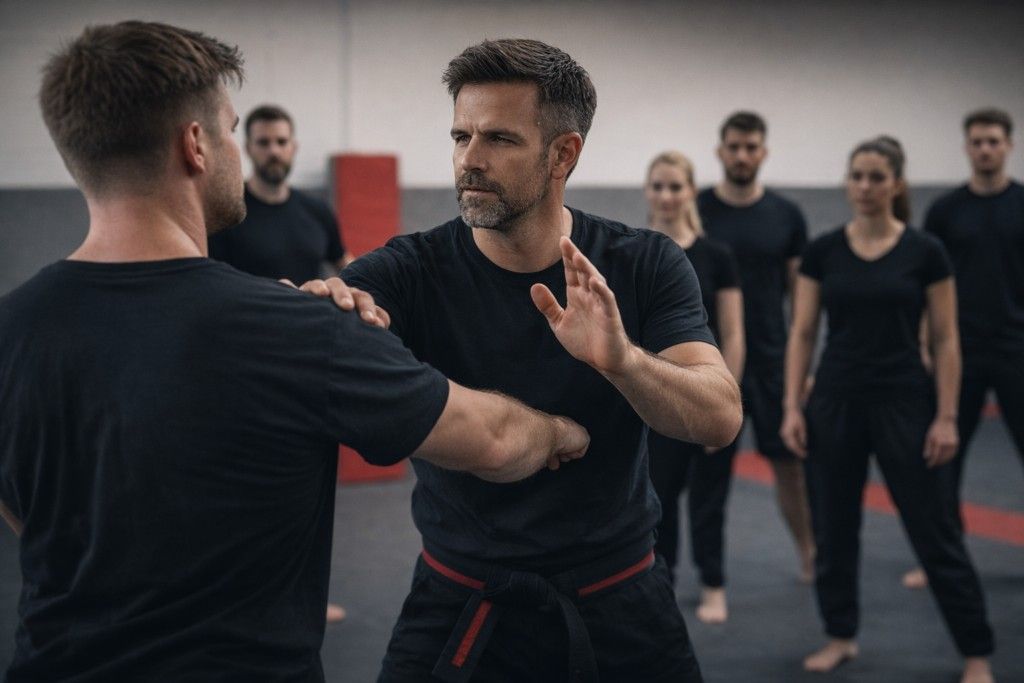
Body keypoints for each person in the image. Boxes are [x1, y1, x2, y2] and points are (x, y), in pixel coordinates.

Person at [0, 22, 591, 682]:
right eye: (231, 130)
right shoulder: (298, 331)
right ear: (195, 145)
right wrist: (560, 430)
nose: (238, 151)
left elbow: (26, 513)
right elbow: (495, 441)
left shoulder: (10, 330)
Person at [342, 39, 742, 682]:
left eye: (499, 138)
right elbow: (327, 340)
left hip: (619, 598)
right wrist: (322, 308)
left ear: (563, 154)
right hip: (458, 594)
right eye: (461, 136)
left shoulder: (644, 263)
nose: (469, 159)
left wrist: (623, 362)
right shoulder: (408, 271)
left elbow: (719, 417)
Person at [780, 136, 995, 683]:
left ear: (896, 183)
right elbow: (802, 332)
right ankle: (840, 636)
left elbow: (945, 339)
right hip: (835, 401)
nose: (865, 186)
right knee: (834, 529)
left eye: (877, 177)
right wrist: (792, 406)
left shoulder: (926, 252)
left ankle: (976, 653)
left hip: (906, 401)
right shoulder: (824, 252)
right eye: (857, 175)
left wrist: (947, 416)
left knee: (935, 530)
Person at [902, 108, 1024, 591]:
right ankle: (941, 557)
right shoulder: (946, 212)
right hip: (960, 350)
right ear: (966, 147)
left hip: (1017, 349)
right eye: (977, 141)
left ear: (1008, 145)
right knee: (942, 457)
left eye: (993, 141)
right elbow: (926, 285)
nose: (985, 149)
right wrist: (923, 341)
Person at [698, 111, 816, 581]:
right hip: (710, 357)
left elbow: (801, 302)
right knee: (711, 473)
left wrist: (802, 367)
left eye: (751, 148)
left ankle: (809, 553)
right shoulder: (698, 210)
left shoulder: (786, 216)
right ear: (720, 151)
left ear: (763, 153)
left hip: (771, 360)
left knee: (789, 464)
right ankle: (712, 578)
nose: (742, 156)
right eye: (734, 147)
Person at [644, 151, 745, 624]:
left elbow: (734, 335)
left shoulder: (717, 256)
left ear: (690, 192)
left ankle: (714, 585)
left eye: (675, 186)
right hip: (659, 400)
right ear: (648, 191)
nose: (666, 196)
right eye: (658, 186)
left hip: (706, 395)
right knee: (658, 500)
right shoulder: (638, 252)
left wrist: (725, 402)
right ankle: (661, 584)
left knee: (709, 500)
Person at [208, 104, 353, 284]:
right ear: (248, 148)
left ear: (294, 147)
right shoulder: (226, 212)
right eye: (263, 142)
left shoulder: (318, 211)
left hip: (309, 303)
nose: (274, 151)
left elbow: (344, 263)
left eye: (281, 142)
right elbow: (211, 280)